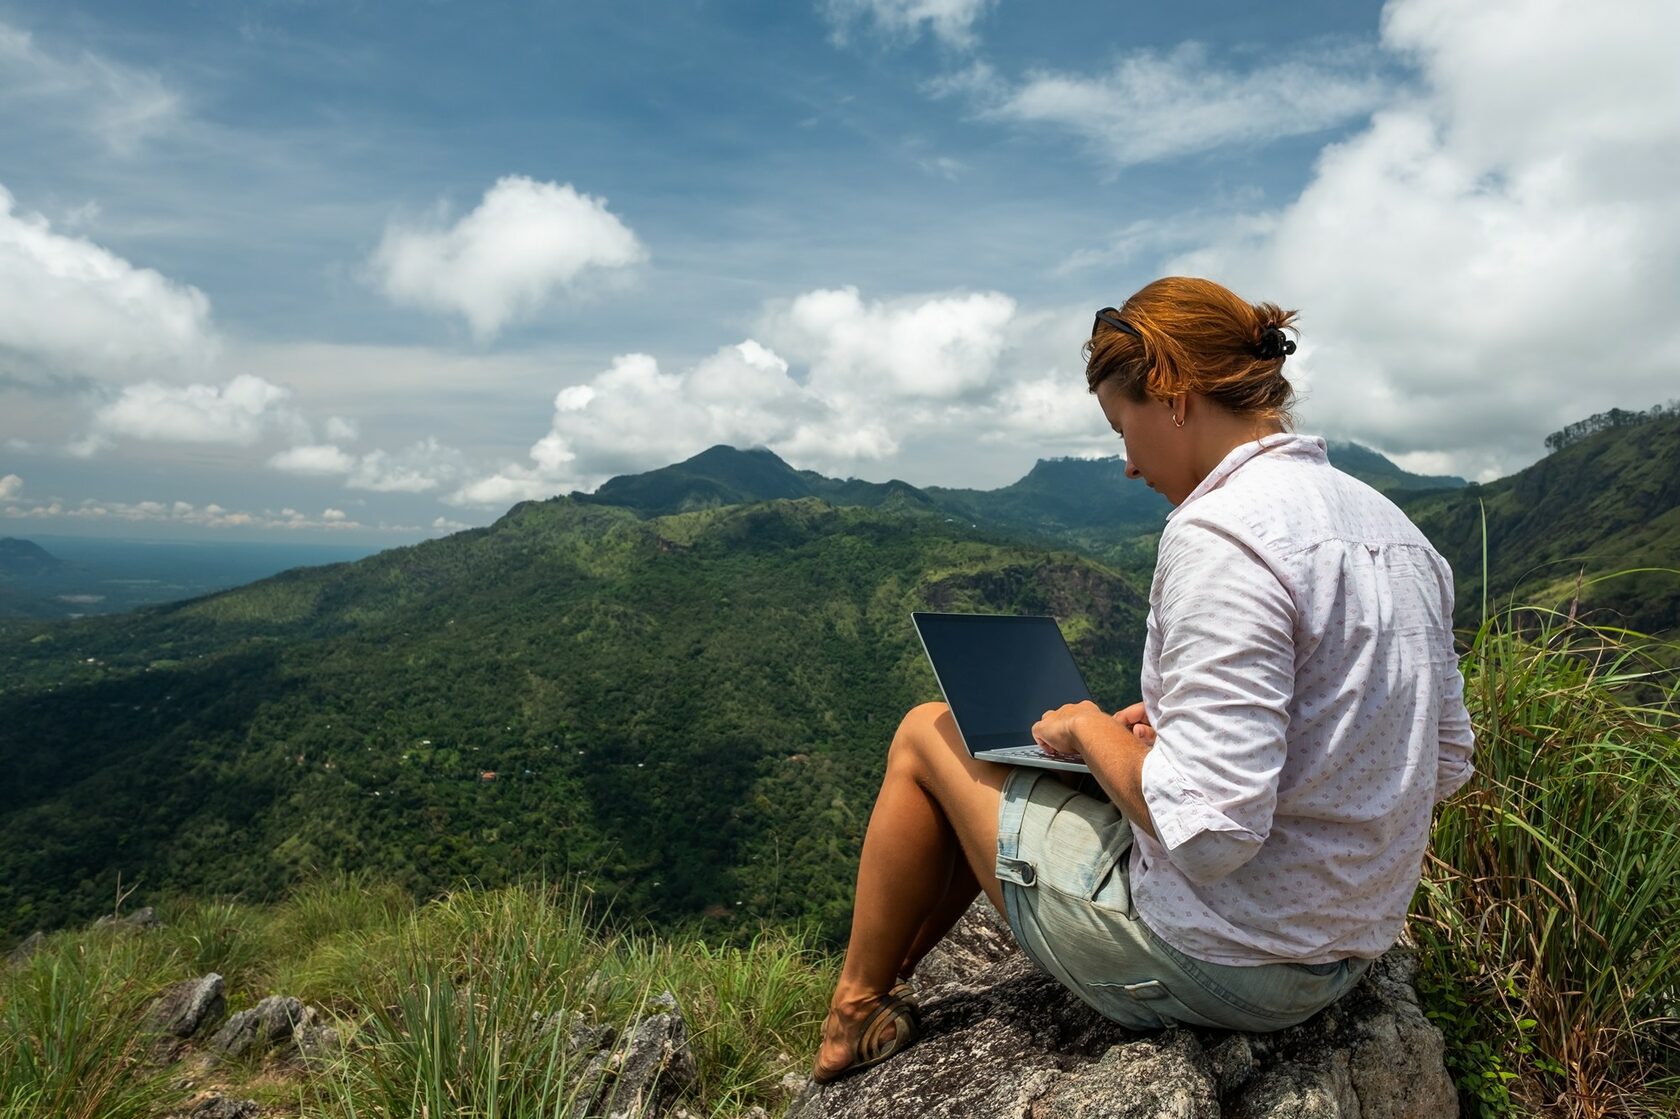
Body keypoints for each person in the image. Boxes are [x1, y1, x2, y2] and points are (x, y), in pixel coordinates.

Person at [812, 275, 1476, 1083]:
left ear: (1172, 395)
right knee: (999, 758)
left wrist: (1090, 731)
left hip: (1228, 963)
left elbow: (1212, 835)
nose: (1127, 464)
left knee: (928, 732)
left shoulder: (1221, 535)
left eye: (1122, 428)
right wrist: (1185, 740)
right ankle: (894, 982)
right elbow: (1442, 760)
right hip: (1349, 947)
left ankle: (853, 1010)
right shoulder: (1397, 531)